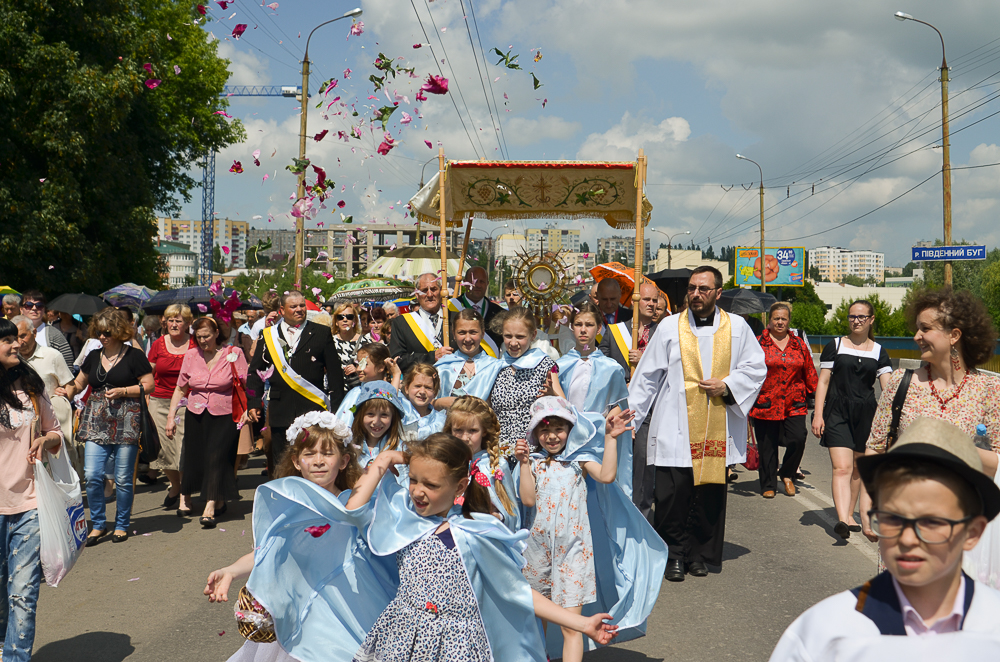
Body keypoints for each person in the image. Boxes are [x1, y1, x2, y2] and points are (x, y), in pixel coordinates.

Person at [344, 433, 619, 661]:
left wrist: (582, 624)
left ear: (460, 486)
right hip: (403, 637)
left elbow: (517, 591)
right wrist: (385, 459)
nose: (417, 491)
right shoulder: (402, 520)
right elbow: (353, 510)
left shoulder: (476, 533)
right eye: (413, 480)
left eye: (431, 484)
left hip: (456, 646)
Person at [771, 417, 1000, 660]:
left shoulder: (992, 627)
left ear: (972, 533)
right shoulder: (826, 633)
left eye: (932, 522)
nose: (908, 539)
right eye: (893, 519)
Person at [629, 266, 766, 581]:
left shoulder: (738, 328)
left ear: (718, 293)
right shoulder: (668, 327)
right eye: (692, 288)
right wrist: (631, 418)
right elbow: (648, 376)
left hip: (714, 422)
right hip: (674, 424)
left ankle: (699, 554)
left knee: (707, 494)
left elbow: (755, 368)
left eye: (703, 289)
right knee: (672, 495)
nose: (696, 294)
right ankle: (674, 555)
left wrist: (728, 387)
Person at [204, 413, 368, 662]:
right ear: (297, 461)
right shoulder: (288, 508)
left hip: (343, 607)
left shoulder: (352, 504)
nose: (318, 461)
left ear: (344, 461)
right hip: (299, 611)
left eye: (327, 453)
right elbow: (266, 551)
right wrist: (231, 571)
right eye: (309, 454)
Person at [515, 397, 665, 659]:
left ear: (570, 431)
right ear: (535, 433)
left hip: (573, 553)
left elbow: (607, 476)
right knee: (536, 622)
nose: (552, 436)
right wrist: (524, 464)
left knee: (571, 626)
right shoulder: (533, 463)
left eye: (559, 429)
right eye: (544, 430)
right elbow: (527, 500)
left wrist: (610, 438)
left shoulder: (580, 462)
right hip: (536, 554)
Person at [864, 288, 1000, 541]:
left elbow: (997, 463)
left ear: (954, 335)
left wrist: (949, 448)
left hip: (962, 525)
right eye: (917, 328)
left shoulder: (989, 391)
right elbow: (876, 447)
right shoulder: (900, 383)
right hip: (902, 520)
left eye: (925, 328)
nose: (917, 336)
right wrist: (869, 504)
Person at [61, 308, 153, 545]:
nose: (102, 337)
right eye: (99, 332)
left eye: (107, 332)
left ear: (119, 331)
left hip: (126, 420)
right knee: (92, 475)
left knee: (122, 478)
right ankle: (99, 525)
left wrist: (124, 390)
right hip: (96, 419)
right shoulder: (93, 356)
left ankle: (122, 524)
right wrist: (67, 391)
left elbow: (148, 385)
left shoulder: (134, 356)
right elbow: (80, 382)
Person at [0, 318, 64, 662]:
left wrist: (45, 438)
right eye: (6, 341)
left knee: (23, 591)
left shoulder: (31, 386)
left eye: (16, 339)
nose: (15, 345)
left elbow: (57, 434)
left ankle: (15, 658)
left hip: (29, 503)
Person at [812, 300, 892, 539]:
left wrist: (890, 420)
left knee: (857, 469)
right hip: (837, 411)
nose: (856, 321)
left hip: (867, 414)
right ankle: (842, 520)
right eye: (852, 317)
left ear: (871, 320)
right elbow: (823, 382)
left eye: (861, 317)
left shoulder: (879, 351)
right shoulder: (835, 346)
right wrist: (817, 414)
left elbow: (887, 389)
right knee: (842, 467)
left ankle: (849, 514)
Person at [246, 291, 344, 473]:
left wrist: (337, 408)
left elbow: (335, 374)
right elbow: (255, 373)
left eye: (302, 305)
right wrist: (253, 403)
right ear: (282, 310)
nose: (299, 310)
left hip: (312, 409)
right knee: (281, 462)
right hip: (280, 409)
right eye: (294, 306)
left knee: (311, 460)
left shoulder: (321, 333)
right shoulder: (268, 335)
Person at [165, 317, 246, 527]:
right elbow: (181, 388)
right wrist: (170, 417)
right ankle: (215, 500)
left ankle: (210, 505)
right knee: (198, 457)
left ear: (217, 333)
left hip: (226, 414)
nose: (203, 341)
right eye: (199, 337)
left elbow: (247, 384)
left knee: (216, 457)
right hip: (196, 412)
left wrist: (249, 410)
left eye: (207, 336)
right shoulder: (191, 355)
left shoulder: (234, 354)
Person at [557, 302, 632, 495]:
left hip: (598, 439)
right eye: (578, 324)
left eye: (589, 325)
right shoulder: (560, 365)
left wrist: (611, 421)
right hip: (567, 436)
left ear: (599, 328)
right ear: (571, 327)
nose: (583, 330)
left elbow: (618, 404)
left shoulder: (611, 367)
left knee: (597, 494)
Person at [750, 302, 818, 499]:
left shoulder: (798, 344)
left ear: (789, 321)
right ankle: (768, 483)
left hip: (794, 402)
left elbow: (810, 371)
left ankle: (787, 473)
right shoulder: (757, 343)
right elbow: (746, 370)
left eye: (783, 319)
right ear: (769, 321)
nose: (780, 322)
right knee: (767, 445)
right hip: (766, 401)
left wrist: (819, 396)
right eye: (776, 318)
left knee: (798, 437)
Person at [489, 308, 564, 459]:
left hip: (533, 453)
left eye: (520, 336)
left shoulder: (544, 365)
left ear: (533, 335)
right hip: (500, 453)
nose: (513, 342)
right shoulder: (495, 367)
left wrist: (552, 396)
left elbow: (565, 407)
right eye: (508, 336)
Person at [144, 304, 195, 507]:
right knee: (163, 450)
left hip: (186, 402)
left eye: (179, 320)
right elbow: (149, 372)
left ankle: (185, 496)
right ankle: (176, 485)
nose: (174, 324)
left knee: (181, 448)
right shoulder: (158, 344)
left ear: (188, 324)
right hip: (158, 400)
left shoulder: (194, 345)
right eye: (170, 320)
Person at [443, 396, 520, 531]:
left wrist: (498, 517)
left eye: (472, 431)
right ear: (450, 430)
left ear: (484, 431)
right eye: (458, 430)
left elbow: (511, 512)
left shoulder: (495, 465)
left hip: (485, 535)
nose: (465, 437)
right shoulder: (445, 463)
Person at [13, 316, 77, 473]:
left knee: (55, 467)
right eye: (15, 338)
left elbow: (71, 386)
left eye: (23, 335)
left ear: (34, 332)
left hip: (50, 424)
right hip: (21, 425)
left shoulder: (52, 355)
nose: (19, 342)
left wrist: (64, 395)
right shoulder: (12, 360)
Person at [433, 309, 500, 406]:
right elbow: (428, 403)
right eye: (462, 332)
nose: (468, 339)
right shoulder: (442, 366)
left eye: (473, 332)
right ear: (454, 334)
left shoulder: (494, 366)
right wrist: (440, 403)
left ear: (482, 333)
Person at [389, 273, 452, 374]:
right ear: (417, 294)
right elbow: (397, 360)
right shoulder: (402, 323)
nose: (430, 294)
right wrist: (431, 357)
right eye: (424, 290)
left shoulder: (455, 318)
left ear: (440, 291)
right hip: (419, 384)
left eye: (434, 289)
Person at [333, 343, 403, 427]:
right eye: (357, 364)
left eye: (364, 364)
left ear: (381, 367)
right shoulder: (355, 393)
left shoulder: (383, 392)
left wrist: (396, 374)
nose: (358, 369)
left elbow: (391, 399)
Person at [599, 280, 659, 376]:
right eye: (646, 299)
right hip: (621, 388)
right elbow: (600, 364)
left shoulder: (661, 331)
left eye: (655, 300)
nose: (651, 304)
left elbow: (667, 367)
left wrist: (643, 360)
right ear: (634, 301)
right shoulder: (614, 331)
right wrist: (620, 384)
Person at [348, 380, 409, 468]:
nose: (376, 422)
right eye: (370, 414)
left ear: (393, 418)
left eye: (384, 415)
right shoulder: (349, 448)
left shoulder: (402, 450)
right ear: (360, 416)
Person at [449, 266, 504, 350]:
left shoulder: (498, 312)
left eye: (482, 282)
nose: (478, 285)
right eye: (474, 281)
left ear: (487, 284)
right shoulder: (449, 309)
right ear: (465, 283)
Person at [19, 290, 73, 371]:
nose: (34, 308)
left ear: (44, 310)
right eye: (29, 305)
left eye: (39, 305)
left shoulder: (54, 334)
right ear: (21, 309)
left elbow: (68, 364)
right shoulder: (11, 331)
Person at [331, 303, 364, 395]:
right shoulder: (330, 341)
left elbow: (371, 362)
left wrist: (358, 367)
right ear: (336, 322)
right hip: (336, 391)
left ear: (354, 320)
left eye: (349, 317)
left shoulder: (365, 341)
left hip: (357, 390)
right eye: (340, 317)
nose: (345, 320)